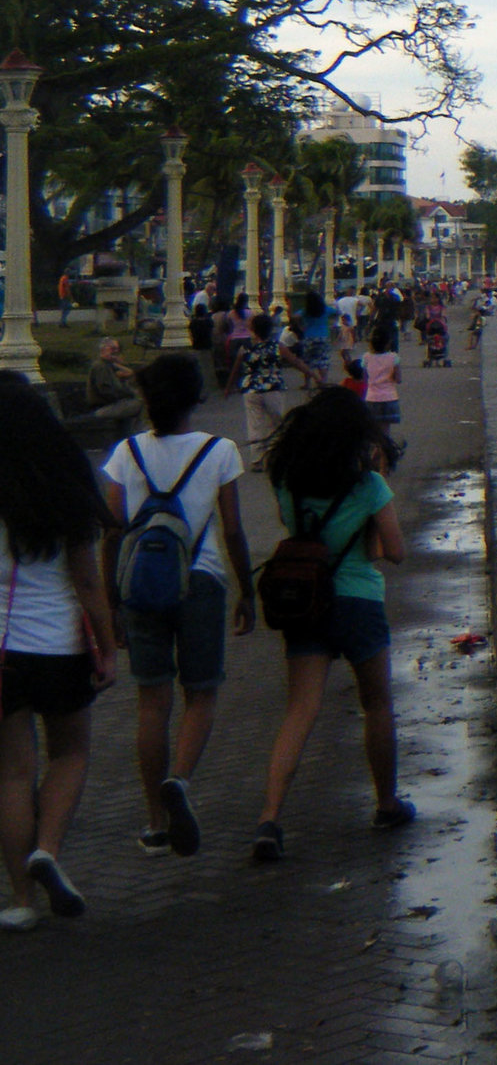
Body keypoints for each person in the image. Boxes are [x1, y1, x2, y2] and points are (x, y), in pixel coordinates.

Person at [100, 356, 252, 858]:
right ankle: (181, 780)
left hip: (141, 587)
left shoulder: (125, 453)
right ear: (194, 398)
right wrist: (247, 590)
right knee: (202, 693)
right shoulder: (220, 451)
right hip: (202, 582)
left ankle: (155, 822)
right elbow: (231, 528)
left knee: (151, 702)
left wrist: (111, 601)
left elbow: (113, 530)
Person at [253, 389, 411, 860]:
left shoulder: (288, 479)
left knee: (300, 710)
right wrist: (370, 515)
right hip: (358, 599)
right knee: (377, 703)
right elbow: (395, 551)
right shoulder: (369, 486)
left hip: (305, 601)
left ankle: (269, 817)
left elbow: (299, 531)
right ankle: (385, 803)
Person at [0, 375, 118, 929]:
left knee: (11, 776)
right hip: (59, 643)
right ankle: (47, 849)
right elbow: (89, 583)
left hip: (1, 650)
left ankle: (22, 901)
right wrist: (108, 649)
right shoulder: (66, 483)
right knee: (69, 754)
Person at [224, 314, 315, 465]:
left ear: (253, 329)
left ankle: (257, 458)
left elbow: (235, 370)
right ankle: (274, 454)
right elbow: (295, 362)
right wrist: (313, 375)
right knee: (276, 422)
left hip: (251, 389)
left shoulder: (245, 348)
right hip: (273, 388)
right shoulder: (277, 346)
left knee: (255, 424)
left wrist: (228, 388)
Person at [85, 338, 144, 440]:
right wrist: (128, 395)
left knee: (138, 403)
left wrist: (118, 364)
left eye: (118, 349)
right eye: (112, 349)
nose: (116, 351)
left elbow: (131, 373)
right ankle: (137, 437)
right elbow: (106, 391)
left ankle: (133, 437)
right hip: (103, 408)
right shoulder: (100, 367)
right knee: (141, 404)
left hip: (112, 405)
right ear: (103, 350)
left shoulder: (109, 366)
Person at [362, 324, 403, 433]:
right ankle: (384, 449)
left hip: (372, 398)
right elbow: (398, 379)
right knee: (385, 433)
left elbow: (364, 379)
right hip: (389, 398)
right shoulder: (394, 357)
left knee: (374, 433)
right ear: (388, 343)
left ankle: (376, 449)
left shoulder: (366, 357)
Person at [295, 292, 334, 389]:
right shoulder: (325, 309)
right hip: (323, 336)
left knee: (308, 361)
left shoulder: (306, 311)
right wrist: (331, 324)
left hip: (309, 336)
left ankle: (307, 383)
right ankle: (323, 382)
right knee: (323, 361)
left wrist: (300, 326)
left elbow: (295, 316)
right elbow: (337, 312)